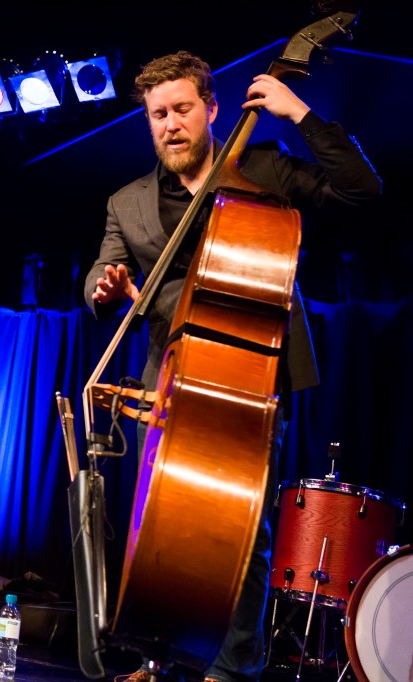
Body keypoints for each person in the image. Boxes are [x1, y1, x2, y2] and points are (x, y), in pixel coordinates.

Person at [84, 51, 381, 682]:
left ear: (212, 108)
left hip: (250, 373)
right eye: (157, 114)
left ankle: (231, 667)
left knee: (240, 533)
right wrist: (104, 289)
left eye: (182, 109)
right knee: (156, 527)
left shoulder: (263, 168)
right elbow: (98, 273)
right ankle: (154, 655)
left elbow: (361, 188)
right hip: (166, 376)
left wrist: (297, 111)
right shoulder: (127, 201)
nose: (170, 124)